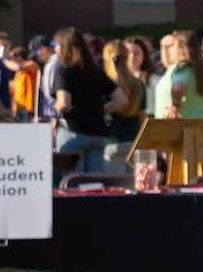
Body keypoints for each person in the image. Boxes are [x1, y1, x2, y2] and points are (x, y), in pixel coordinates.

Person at [51, 27, 120, 174]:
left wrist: (54, 111)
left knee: (68, 182)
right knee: (94, 183)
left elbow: (63, 103)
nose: (55, 48)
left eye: (56, 45)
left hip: (74, 130)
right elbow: (121, 99)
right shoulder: (96, 71)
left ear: (64, 47)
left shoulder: (63, 70)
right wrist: (101, 110)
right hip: (97, 133)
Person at [101, 38, 146, 167]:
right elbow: (142, 117)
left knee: (114, 186)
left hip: (112, 141)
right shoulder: (138, 85)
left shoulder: (106, 85)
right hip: (133, 143)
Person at [147, 31, 203, 119]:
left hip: (181, 126)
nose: (169, 49)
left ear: (181, 48)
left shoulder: (183, 68)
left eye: (172, 46)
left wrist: (175, 104)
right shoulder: (198, 67)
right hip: (196, 121)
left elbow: (178, 87)